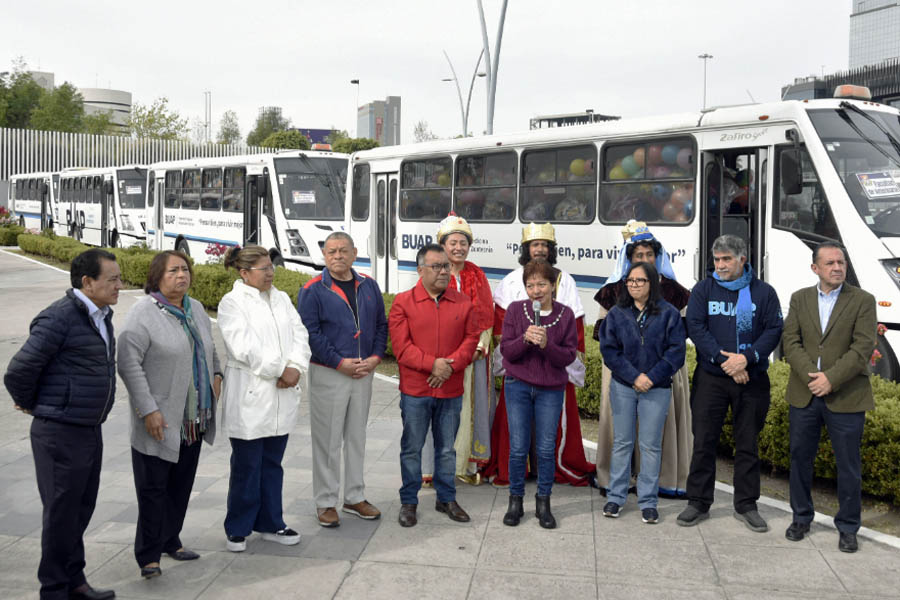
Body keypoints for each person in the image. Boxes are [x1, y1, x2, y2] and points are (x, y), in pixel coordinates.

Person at [4, 248, 122, 600]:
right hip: (59, 431)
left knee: (79, 510)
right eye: (112, 279)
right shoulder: (59, 317)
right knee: (60, 515)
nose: (120, 285)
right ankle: (54, 590)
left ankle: (75, 582)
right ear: (88, 282)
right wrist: (35, 405)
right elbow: (18, 371)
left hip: (88, 426)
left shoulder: (101, 314)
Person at [117, 251, 221, 579]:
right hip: (159, 418)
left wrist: (217, 376)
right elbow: (128, 363)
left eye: (185, 269)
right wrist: (148, 409)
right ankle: (149, 556)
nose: (182, 275)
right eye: (173, 270)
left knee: (180, 486)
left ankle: (170, 539)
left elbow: (210, 349)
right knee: (153, 488)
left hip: (192, 420)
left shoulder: (196, 308)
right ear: (157, 277)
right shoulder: (143, 312)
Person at [677, 234, 783, 531]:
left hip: (752, 380)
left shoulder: (764, 293)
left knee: (748, 444)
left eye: (726, 259)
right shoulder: (703, 290)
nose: (720, 265)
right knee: (704, 441)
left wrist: (746, 358)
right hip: (711, 379)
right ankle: (698, 501)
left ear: (742, 259)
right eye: (717, 260)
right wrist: (727, 362)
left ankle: (746, 504)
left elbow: (774, 329)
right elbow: (696, 328)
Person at [782, 242, 876, 553]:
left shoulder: (863, 300)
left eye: (841, 262)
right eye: (830, 263)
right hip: (805, 394)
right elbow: (791, 340)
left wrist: (830, 380)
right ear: (815, 268)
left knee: (848, 465)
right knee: (800, 459)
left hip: (846, 396)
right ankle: (801, 517)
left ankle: (848, 527)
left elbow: (862, 347)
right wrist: (813, 376)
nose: (837, 267)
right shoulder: (800, 298)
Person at [485, 222, 595, 488]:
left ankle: (550, 478)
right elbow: (501, 328)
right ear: (526, 249)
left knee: (550, 436)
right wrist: (512, 357)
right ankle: (516, 485)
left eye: (545, 245)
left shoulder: (564, 280)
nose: (540, 250)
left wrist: (561, 357)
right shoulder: (511, 281)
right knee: (516, 433)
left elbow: (574, 327)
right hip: (519, 372)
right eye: (535, 245)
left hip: (554, 372)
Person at [218, 246, 311, 551]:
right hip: (251, 393)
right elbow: (243, 346)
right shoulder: (232, 303)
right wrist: (280, 369)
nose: (270, 273)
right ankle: (238, 527)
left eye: (271, 267)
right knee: (247, 464)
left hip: (282, 392)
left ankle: (272, 523)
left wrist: (296, 367)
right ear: (244, 273)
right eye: (263, 269)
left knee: (272, 463)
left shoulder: (282, 298)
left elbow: (300, 334)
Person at [593, 220, 691, 496]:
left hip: (661, 372)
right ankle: (617, 481)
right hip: (621, 371)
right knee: (621, 431)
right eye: (639, 255)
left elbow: (681, 336)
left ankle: (663, 479)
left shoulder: (675, 291)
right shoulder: (613, 291)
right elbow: (601, 333)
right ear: (630, 258)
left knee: (657, 431)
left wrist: (654, 368)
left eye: (650, 255)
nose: (645, 259)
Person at [298, 232, 387, 528]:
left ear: (354, 252)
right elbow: (310, 334)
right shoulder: (313, 289)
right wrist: (338, 362)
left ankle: (354, 496)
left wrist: (375, 358)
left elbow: (380, 326)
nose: (337, 256)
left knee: (357, 437)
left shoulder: (369, 286)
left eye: (343, 250)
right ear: (324, 256)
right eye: (331, 251)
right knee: (328, 440)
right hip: (329, 372)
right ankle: (325, 502)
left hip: (363, 372)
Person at [388, 243, 481, 527]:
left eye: (446, 266)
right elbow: (402, 349)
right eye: (437, 266)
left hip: (450, 389)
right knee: (412, 447)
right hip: (416, 390)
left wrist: (448, 366)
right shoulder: (403, 302)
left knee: (446, 449)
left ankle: (446, 498)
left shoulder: (463, 302)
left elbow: (471, 340)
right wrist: (434, 365)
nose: (444, 271)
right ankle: (409, 501)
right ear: (420, 270)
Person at [599, 261, 686, 523]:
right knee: (623, 443)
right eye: (630, 281)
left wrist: (651, 377)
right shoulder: (617, 313)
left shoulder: (669, 313)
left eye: (640, 281)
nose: (634, 285)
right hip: (624, 387)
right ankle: (615, 497)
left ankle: (648, 501)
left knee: (650, 445)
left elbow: (676, 352)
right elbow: (609, 351)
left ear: (652, 283)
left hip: (656, 388)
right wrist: (634, 376)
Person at [500, 259, 578, 529]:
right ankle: (515, 501)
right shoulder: (514, 310)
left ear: (553, 286)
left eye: (542, 284)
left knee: (545, 449)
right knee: (518, 447)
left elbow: (568, 356)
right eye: (530, 285)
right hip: (518, 385)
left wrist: (547, 344)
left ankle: (543, 502)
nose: (536, 290)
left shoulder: (565, 315)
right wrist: (524, 339)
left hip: (551, 389)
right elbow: (507, 352)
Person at [420, 213, 494, 485]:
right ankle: (431, 469)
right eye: (453, 243)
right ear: (442, 244)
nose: (459, 248)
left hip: (472, 357)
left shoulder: (477, 275)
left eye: (463, 242)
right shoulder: (432, 273)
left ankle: (463, 466)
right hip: (440, 358)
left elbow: (487, 316)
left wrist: (478, 348)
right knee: (435, 412)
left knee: (467, 410)